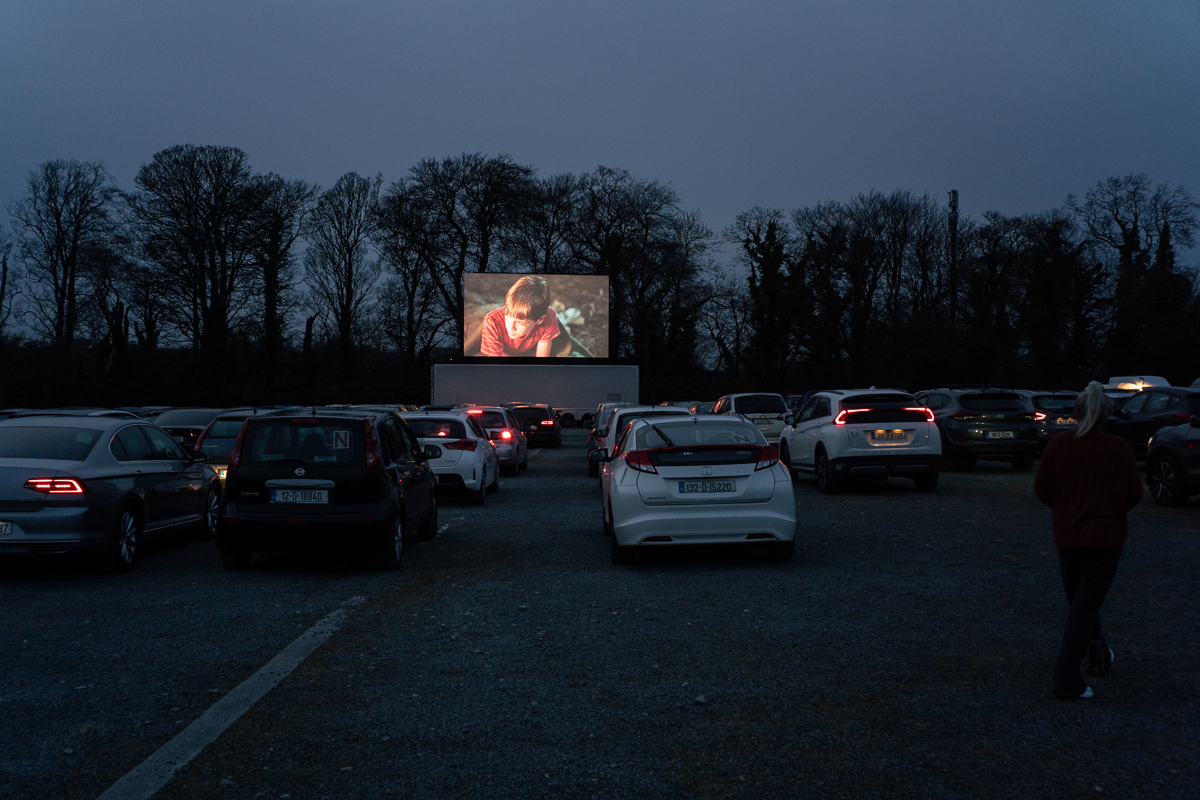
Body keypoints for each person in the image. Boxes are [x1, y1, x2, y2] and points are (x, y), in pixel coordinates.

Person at [1034, 381, 1143, 699]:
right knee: (1084, 605)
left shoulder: (1058, 445)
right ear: (1106, 416)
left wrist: (1066, 508)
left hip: (1068, 536)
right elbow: (1134, 494)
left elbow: (1043, 489)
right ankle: (1068, 677)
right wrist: (1108, 511)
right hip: (1105, 538)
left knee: (1080, 603)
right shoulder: (1118, 447)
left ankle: (1088, 660)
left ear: (1077, 412)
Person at [479, 275, 562, 357]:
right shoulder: (492, 320)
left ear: (540, 320)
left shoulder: (549, 316)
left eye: (520, 323)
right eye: (507, 315)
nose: (511, 327)